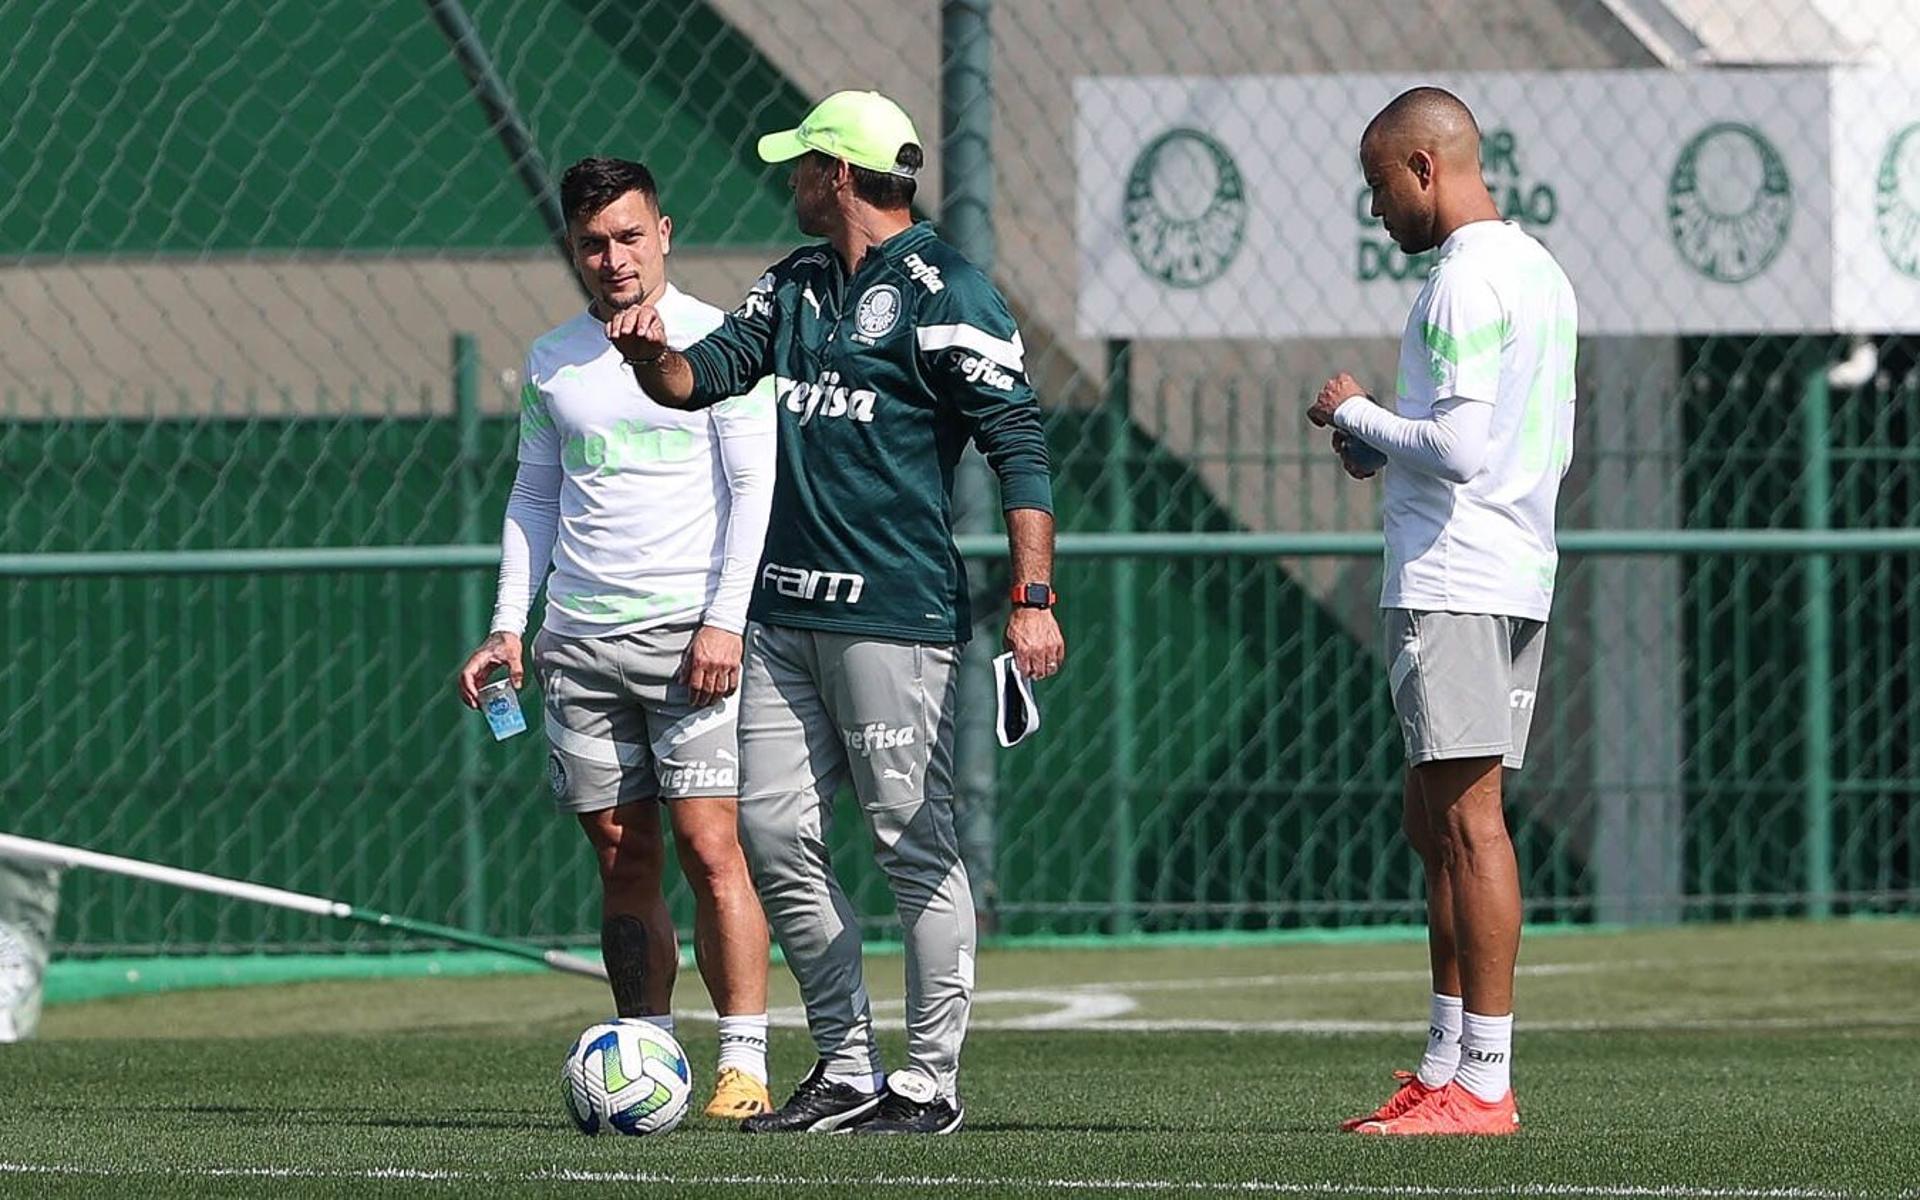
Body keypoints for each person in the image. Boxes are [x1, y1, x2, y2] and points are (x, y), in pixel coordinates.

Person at [603, 90, 1065, 1136]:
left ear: (842, 177)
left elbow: (1019, 444)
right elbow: (704, 376)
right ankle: (848, 1064)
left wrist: (1033, 594)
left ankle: (932, 1083)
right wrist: (649, 361)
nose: (792, 182)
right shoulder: (794, 285)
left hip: (896, 619)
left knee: (912, 840)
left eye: (802, 166)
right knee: (771, 837)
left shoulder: (953, 294)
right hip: (780, 619)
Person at [455, 156, 776, 1121]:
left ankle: (745, 1065)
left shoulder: (722, 344)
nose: (614, 257)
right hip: (578, 647)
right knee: (621, 856)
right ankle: (648, 1051)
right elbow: (536, 494)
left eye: (630, 235)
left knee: (710, 845)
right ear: (573, 249)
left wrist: (726, 621)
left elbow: (755, 490)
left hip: (691, 639)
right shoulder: (554, 359)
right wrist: (511, 625)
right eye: (594, 242)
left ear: (665, 233)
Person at [1308, 87, 1577, 1136]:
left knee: (1467, 828)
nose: (1378, 209)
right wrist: (1379, 442)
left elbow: (1461, 452)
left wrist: (1352, 409)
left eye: (1382, 186)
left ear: (1426, 166)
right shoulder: (1538, 271)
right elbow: (1489, 438)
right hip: (1509, 569)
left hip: (1456, 579)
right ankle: (1446, 1061)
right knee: (1437, 824)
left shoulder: (1465, 280)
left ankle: (1485, 1083)